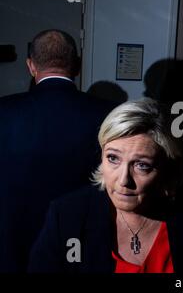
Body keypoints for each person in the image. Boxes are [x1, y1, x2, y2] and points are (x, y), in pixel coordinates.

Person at [28, 98, 183, 273]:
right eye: (113, 158)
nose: (123, 181)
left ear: (167, 169)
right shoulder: (68, 215)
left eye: (142, 165)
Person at [0, 29, 116, 272]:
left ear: (31, 66)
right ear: (78, 66)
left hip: (13, 239)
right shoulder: (108, 113)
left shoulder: (5, 111)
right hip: (81, 237)